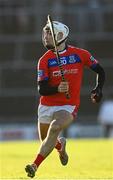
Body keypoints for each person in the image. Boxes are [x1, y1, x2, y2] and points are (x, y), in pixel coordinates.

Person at [25, 19, 105, 178]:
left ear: (60, 36)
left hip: (68, 105)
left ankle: (34, 165)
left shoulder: (80, 54)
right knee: (48, 139)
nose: (46, 37)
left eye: (50, 34)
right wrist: (57, 88)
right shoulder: (44, 60)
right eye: (45, 33)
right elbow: (42, 89)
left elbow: (100, 70)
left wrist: (98, 88)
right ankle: (61, 147)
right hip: (47, 105)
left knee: (55, 128)